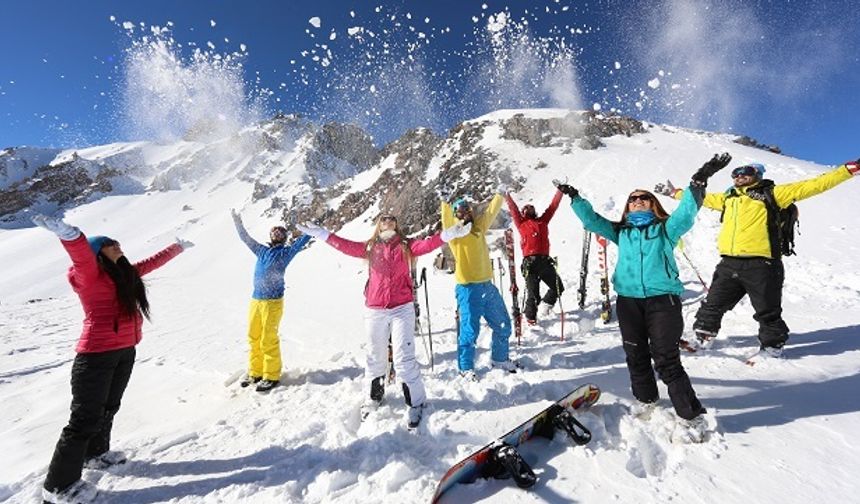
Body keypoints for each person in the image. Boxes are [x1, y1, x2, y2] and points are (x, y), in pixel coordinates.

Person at [559, 153, 732, 443]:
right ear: (627, 208)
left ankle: (691, 417)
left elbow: (687, 212)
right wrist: (575, 197)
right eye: (633, 199)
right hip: (628, 302)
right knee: (635, 355)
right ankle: (647, 399)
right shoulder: (620, 231)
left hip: (663, 301)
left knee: (666, 360)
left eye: (644, 198)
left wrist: (700, 179)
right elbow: (591, 220)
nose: (637, 201)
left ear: (654, 205)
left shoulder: (666, 229)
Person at [31, 214, 191, 503]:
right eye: (109, 245)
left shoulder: (125, 274)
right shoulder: (89, 276)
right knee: (83, 419)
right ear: (97, 253)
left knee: (109, 408)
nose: (117, 246)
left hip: (124, 351)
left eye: (117, 242)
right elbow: (81, 256)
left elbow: (151, 263)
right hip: (95, 356)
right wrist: (71, 235)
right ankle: (58, 487)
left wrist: (176, 248)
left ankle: (96, 454)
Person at [655, 158, 859, 357]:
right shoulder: (728, 197)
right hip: (729, 263)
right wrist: (675, 193)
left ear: (758, 176)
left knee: (767, 311)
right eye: (736, 173)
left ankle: (772, 347)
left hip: (762, 264)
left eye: (747, 172)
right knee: (712, 305)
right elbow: (700, 198)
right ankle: (702, 338)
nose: (740, 176)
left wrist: (847, 170)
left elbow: (814, 185)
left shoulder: (774, 193)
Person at [297, 215, 471, 427]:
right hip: (375, 309)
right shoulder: (370, 247)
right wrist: (322, 234)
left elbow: (428, 244)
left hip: (402, 308)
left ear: (397, 225)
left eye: (391, 219)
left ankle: (416, 403)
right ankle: (373, 398)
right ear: (378, 225)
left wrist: (448, 234)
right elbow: (345, 246)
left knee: (403, 359)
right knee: (374, 356)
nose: (387, 221)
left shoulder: (406, 246)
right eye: (383, 219)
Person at [442, 186, 520, 381]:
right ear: (456, 215)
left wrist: (500, 194)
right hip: (468, 289)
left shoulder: (478, 227)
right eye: (460, 211)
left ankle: (500, 359)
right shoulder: (455, 235)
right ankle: (466, 367)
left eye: (467, 209)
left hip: (487, 286)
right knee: (469, 330)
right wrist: (444, 203)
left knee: (503, 324)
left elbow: (491, 211)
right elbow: (446, 225)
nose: (465, 212)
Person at [231, 210, 310, 392]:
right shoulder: (261, 251)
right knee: (254, 337)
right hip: (256, 300)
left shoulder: (286, 253)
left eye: (280, 232)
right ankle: (255, 372)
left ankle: (271, 375)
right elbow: (246, 238)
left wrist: (312, 230)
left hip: (273, 302)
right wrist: (238, 223)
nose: (276, 233)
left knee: (268, 338)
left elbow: (300, 243)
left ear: (284, 237)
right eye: (274, 231)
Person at [504, 187, 564, 324]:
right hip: (530, 263)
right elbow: (513, 210)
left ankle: (546, 306)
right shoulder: (521, 223)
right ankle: (530, 318)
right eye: (527, 208)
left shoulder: (543, 221)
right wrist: (507, 196)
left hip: (544, 261)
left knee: (558, 286)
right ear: (524, 213)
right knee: (533, 294)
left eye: (531, 208)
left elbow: (552, 207)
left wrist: (559, 192)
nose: (530, 209)